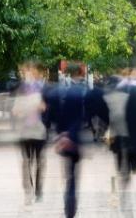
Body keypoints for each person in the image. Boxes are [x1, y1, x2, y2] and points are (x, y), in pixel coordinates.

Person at [52, 64, 86, 218]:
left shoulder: (60, 91)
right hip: (74, 138)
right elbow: (82, 117)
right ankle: (70, 208)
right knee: (72, 176)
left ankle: (68, 207)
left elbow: (56, 114)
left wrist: (60, 133)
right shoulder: (80, 92)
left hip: (63, 137)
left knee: (68, 174)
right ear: (80, 73)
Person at [12, 62, 48, 205]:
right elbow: (15, 110)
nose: (28, 74)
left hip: (39, 130)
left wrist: (43, 107)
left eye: (31, 71)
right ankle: (29, 190)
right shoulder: (20, 89)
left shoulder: (43, 89)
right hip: (25, 130)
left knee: (39, 162)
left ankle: (38, 191)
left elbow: (49, 109)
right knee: (27, 163)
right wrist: (18, 112)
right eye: (26, 71)